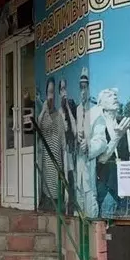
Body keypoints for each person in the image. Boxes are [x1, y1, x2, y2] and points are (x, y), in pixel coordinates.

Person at [87, 88, 130, 218]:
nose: (115, 97)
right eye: (109, 95)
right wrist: (117, 136)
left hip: (125, 178)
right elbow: (102, 158)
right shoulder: (99, 126)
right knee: (108, 219)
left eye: (115, 95)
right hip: (107, 181)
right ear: (101, 104)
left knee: (126, 218)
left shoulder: (122, 122)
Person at [37, 76, 65, 211]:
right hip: (46, 165)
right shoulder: (42, 115)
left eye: (53, 92)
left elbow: (63, 144)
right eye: (49, 92)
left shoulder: (59, 116)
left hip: (57, 164)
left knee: (57, 197)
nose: (51, 96)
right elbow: (38, 130)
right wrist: (43, 110)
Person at [73, 68, 96, 217]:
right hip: (79, 159)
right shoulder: (78, 109)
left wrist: (87, 142)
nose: (83, 91)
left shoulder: (94, 108)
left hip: (90, 159)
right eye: (80, 87)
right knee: (79, 192)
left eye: (85, 87)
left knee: (90, 194)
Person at [58, 76, 78, 214]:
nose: (64, 91)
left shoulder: (71, 105)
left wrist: (68, 108)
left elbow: (75, 129)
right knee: (66, 177)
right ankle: (66, 208)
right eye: (62, 89)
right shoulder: (58, 112)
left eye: (65, 88)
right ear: (60, 92)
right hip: (64, 149)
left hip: (73, 147)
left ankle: (74, 207)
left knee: (75, 178)